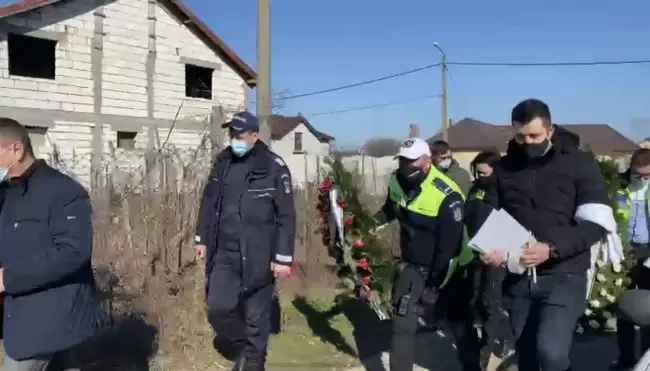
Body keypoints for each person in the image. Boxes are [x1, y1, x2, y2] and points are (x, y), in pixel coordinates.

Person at [480, 99, 610, 371]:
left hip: (565, 273)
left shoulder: (580, 164)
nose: (527, 142)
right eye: (520, 136)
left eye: (535, 135)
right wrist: (490, 247)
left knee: (551, 353)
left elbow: (596, 224)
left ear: (550, 131)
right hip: (519, 279)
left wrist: (551, 248)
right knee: (527, 357)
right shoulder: (504, 169)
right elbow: (490, 215)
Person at [194, 111, 295, 371]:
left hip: (259, 253)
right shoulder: (223, 162)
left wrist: (282, 258)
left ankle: (253, 361)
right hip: (224, 253)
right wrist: (202, 238)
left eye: (239, 135)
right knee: (218, 308)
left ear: (254, 135)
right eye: (232, 135)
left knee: (256, 316)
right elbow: (208, 203)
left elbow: (286, 215)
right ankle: (244, 345)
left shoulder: (273, 166)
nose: (234, 140)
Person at [0, 118, 102, 371]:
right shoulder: (7, 193)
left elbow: (72, 252)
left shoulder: (62, 191)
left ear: (16, 150)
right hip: (20, 313)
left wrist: (7, 278)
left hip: (51, 317)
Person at [374, 137, 479, 371]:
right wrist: (369, 224)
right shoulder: (396, 181)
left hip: (450, 268)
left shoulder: (447, 194)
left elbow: (449, 247)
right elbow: (391, 208)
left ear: (427, 160)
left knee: (459, 323)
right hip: (413, 264)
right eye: (401, 160)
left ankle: (472, 366)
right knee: (402, 327)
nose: (405, 166)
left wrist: (433, 286)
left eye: (411, 161)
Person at [464, 149, 513, 370]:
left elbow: (512, 223)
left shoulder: (503, 191)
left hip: (496, 255)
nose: (480, 176)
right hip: (475, 253)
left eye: (484, 172)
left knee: (490, 301)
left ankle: (484, 354)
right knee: (475, 300)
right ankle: (503, 333)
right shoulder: (474, 190)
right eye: (478, 172)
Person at [611, 148, 650, 370]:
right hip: (625, 251)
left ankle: (646, 355)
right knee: (624, 306)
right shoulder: (620, 187)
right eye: (639, 176)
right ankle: (625, 357)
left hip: (649, 253)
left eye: (648, 176)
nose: (643, 179)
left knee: (647, 307)